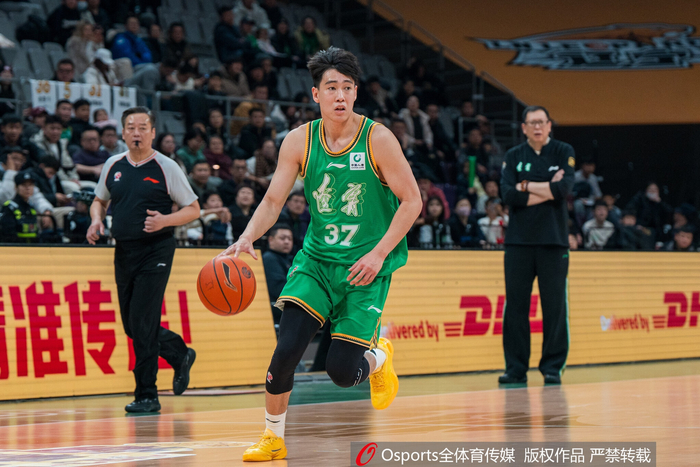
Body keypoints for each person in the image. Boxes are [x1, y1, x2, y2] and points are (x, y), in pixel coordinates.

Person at [220, 47, 422, 462]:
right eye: (331, 87)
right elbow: (273, 200)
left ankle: (379, 356)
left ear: (356, 92)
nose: (340, 95)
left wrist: (378, 255)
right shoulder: (299, 140)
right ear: (316, 94)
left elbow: (412, 201)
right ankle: (273, 437)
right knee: (286, 349)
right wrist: (247, 236)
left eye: (347, 87)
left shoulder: (378, 139)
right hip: (316, 262)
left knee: (342, 372)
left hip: (364, 269)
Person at [86, 106, 200, 413]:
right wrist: (96, 220)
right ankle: (179, 353)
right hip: (124, 250)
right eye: (131, 127)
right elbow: (99, 200)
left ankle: (147, 394)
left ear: (153, 133)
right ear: (122, 133)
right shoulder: (113, 164)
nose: (136, 133)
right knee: (131, 326)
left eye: (143, 127)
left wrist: (165, 221)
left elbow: (193, 209)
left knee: (144, 322)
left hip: (156, 250)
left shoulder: (167, 166)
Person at [499, 105, 574, 386]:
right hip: (518, 242)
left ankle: (552, 367)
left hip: (554, 242)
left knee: (554, 306)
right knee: (516, 307)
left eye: (541, 122)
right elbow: (508, 195)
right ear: (524, 128)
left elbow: (563, 190)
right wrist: (546, 188)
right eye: (532, 123)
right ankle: (515, 368)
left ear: (549, 125)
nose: (537, 127)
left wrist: (525, 185)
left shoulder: (564, 151)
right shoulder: (513, 156)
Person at [262, 223, 294, 321]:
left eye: (290, 239)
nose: (287, 242)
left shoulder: (289, 259)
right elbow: (278, 289)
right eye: (282, 238)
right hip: (277, 311)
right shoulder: (269, 258)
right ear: (271, 240)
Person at [0, 170, 40, 243]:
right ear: (16, 187)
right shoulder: (9, 208)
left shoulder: (31, 209)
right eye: (24, 185)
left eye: (30, 185)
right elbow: (7, 235)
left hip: (32, 248)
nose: (28, 188)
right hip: (14, 248)